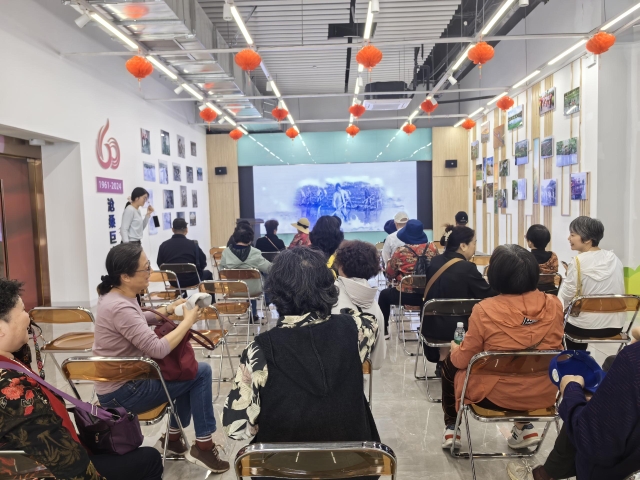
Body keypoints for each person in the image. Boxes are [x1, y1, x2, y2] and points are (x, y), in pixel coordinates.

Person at [0, 278, 163, 480]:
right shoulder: (12, 389)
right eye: (24, 311)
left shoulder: (10, 362)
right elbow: (68, 465)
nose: (29, 317)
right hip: (50, 470)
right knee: (150, 459)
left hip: (42, 460)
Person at [92, 244, 230, 474]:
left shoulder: (115, 295)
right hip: (124, 393)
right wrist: (188, 320)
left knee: (186, 372)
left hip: (120, 385)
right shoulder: (119, 307)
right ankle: (203, 446)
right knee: (201, 373)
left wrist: (167, 310)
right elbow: (157, 349)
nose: (151, 272)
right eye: (145, 268)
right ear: (125, 276)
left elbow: (136, 319)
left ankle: (174, 440)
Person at [222, 247, 379, 446]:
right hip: (354, 458)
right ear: (329, 286)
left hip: (283, 461)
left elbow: (235, 428)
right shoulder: (361, 328)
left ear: (276, 292)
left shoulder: (258, 351)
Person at [440, 245, 564, 451]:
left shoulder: (484, 309)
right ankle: (524, 427)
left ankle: (452, 427)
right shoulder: (554, 304)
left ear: (495, 275)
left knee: (450, 364)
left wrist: (455, 349)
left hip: (494, 397)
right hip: (544, 394)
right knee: (528, 361)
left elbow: (463, 360)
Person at [506, 343, 640, 480]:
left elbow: (590, 440)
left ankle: (545, 474)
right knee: (611, 363)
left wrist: (572, 392)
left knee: (587, 408)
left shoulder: (632, 358)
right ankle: (549, 471)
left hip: (609, 468)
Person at [422, 225, 496, 375]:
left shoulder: (434, 262)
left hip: (431, 325)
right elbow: (488, 294)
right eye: (474, 243)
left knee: (447, 312)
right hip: (459, 329)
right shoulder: (467, 268)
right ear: (463, 245)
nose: (475, 247)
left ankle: (443, 362)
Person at [558, 216, 625, 350]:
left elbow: (566, 295)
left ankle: (575, 358)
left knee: (558, 321)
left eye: (572, 235)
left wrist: (569, 275)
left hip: (583, 328)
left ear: (588, 239)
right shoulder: (614, 259)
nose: (569, 238)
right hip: (615, 326)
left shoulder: (577, 262)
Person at [378, 219, 439, 339]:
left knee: (384, 295)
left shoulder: (401, 251)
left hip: (405, 296)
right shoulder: (433, 248)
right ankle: (426, 327)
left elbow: (390, 274)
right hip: (429, 296)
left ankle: (384, 331)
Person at [332, 240, 385, 369]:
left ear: (341, 266)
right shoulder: (376, 309)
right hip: (359, 378)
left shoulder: (328, 299)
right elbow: (377, 363)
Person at [220, 224, 272, 319]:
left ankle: (251, 313)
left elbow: (221, 271)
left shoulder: (226, 253)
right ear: (251, 238)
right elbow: (269, 269)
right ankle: (254, 314)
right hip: (254, 290)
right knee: (252, 282)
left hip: (233, 290)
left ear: (234, 237)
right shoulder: (255, 253)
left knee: (246, 283)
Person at [156, 217, 213, 287]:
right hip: (193, 280)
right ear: (186, 230)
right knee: (208, 274)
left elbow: (160, 264)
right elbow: (203, 263)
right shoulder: (193, 244)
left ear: (173, 230)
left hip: (174, 281)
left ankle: (181, 293)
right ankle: (209, 294)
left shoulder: (163, 245)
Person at [525, 224, 559, 293]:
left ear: (530, 242)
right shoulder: (553, 256)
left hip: (532, 292)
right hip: (551, 291)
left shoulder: (526, 257)